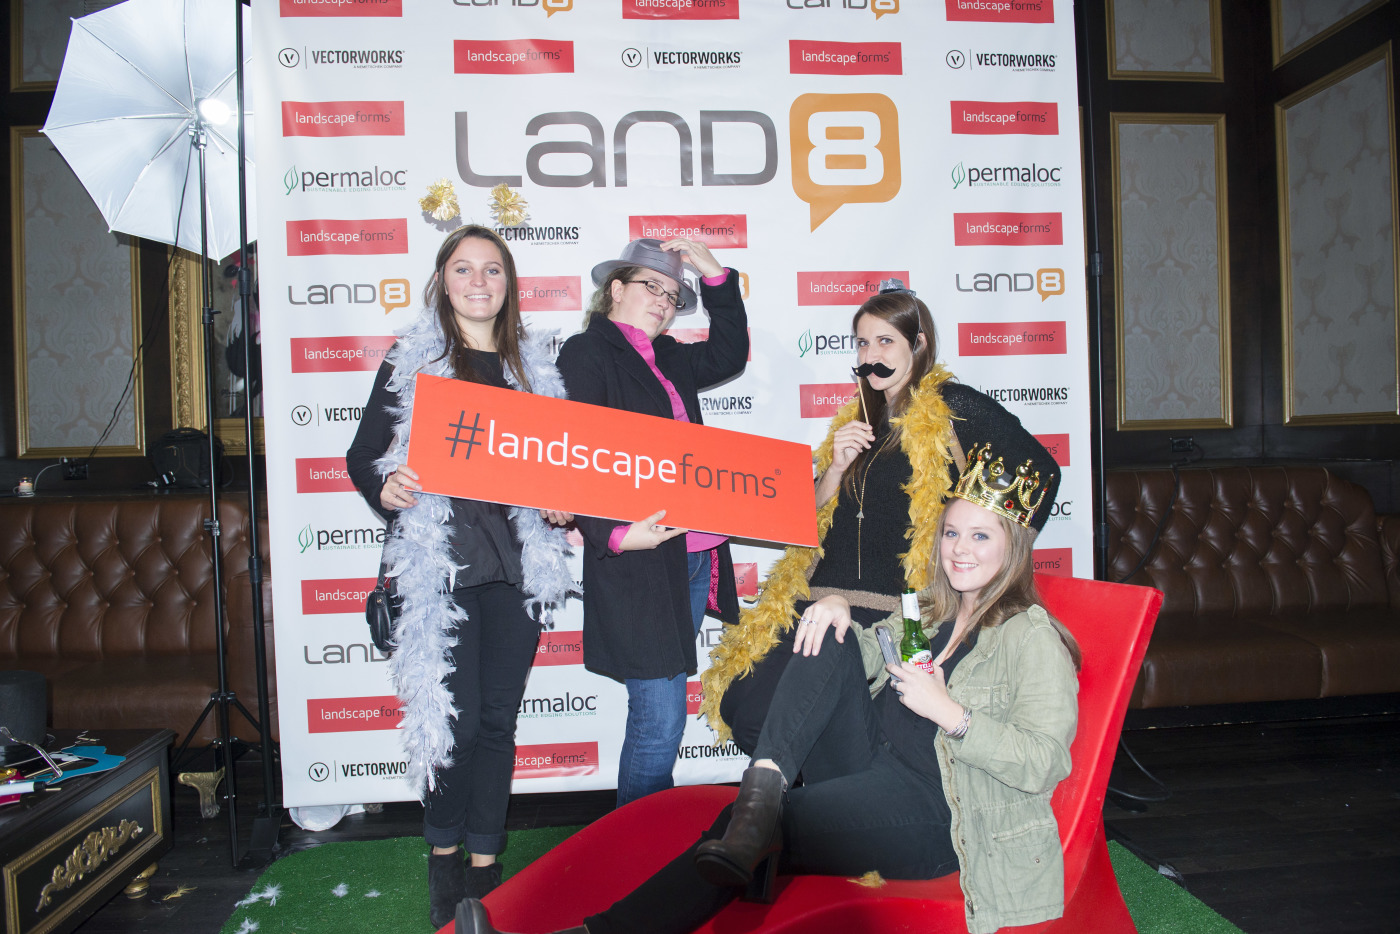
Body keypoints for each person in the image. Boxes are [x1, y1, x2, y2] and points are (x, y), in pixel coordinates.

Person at [455, 440, 1082, 934]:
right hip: (872, 760)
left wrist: (952, 714)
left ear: (1014, 547)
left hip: (939, 810)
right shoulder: (930, 610)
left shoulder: (1030, 637)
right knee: (830, 632)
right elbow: (868, 653)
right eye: (951, 532)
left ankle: (607, 923)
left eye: (980, 536)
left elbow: (1045, 763)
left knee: (746, 829)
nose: (959, 550)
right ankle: (766, 785)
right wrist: (838, 608)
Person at [699, 280, 1061, 754]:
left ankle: (821, 795)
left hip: (884, 610)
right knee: (742, 704)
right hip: (813, 599)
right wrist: (835, 469)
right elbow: (805, 517)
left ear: (919, 344)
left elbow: (1042, 472)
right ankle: (815, 793)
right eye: (862, 343)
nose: (871, 355)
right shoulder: (859, 418)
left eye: (885, 341)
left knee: (775, 716)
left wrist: (992, 554)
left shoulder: (955, 408)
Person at [345, 224, 576, 929]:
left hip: (516, 568)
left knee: (499, 722)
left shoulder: (535, 369)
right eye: (464, 269)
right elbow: (363, 454)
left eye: (493, 269)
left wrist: (562, 504)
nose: (479, 281)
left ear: (509, 284)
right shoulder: (412, 360)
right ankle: (443, 855)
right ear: (442, 282)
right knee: (459, 725)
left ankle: (485, 863)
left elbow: (561, 468)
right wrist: (385, 486)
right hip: (441, 572)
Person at [555, 237, 749, 807]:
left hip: (694, 553)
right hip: (640, 560)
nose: (664, 302)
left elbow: (730, 353)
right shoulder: (586, 353)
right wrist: (613, 534)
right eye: (652, 287)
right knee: (660, 719)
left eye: (672, 295)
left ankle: (638, 836)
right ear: (615, 289)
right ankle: (635, 844)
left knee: (661, 714)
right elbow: (573, 456)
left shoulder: (670, 355)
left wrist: (714, 276)